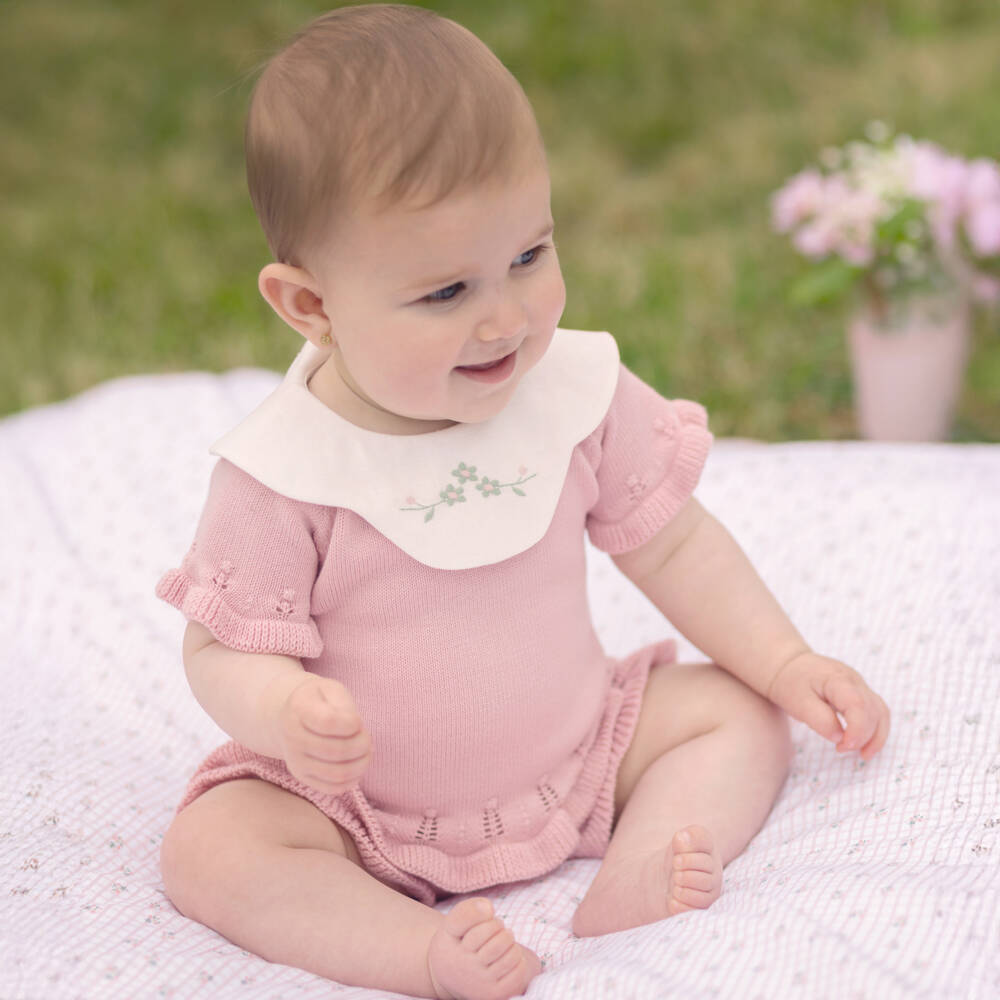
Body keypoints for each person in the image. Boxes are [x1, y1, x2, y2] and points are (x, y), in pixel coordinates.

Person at [156, 6, 891, 998]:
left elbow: (674, 546)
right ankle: (415, 951)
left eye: (529, 256)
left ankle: (642, 865)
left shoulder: (571, 397)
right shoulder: (289, 471)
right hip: (354, 806)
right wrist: (283, 709)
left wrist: (785, 660)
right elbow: (220, 649)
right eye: (445, 293)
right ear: (311, 306)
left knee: (740, 711)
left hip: (578, 754)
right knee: (213, 848)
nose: (504, 317)